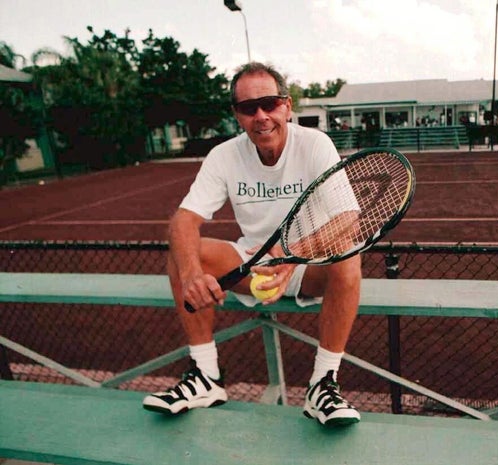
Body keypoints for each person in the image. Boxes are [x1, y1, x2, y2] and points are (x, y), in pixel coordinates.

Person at [142, 62, 362, 427]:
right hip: (252, 263)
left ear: (287, 106)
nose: (261, 116)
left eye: (270, 104)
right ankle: (206, 376)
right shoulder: (224, 155)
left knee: (349, 258)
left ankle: (322, 384)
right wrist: (193, 273)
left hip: (308, 264)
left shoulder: (315, 145)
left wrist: (293, 255)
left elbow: (347, 219)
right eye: (249, 108)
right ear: (237, 116)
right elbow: (184, 220)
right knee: (184, 254)